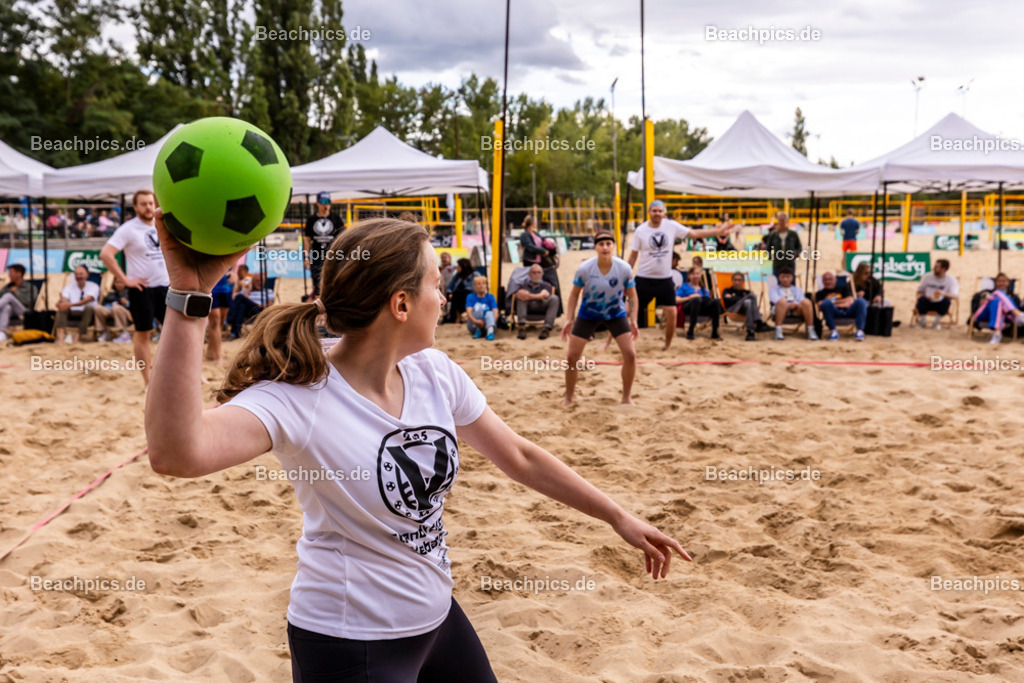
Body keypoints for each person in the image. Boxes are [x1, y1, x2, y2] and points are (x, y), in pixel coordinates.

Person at [145, 215, 689, 682]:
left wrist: (617, 516)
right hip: (349, 641)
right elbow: (177, 454)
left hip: (436, 618)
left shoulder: (432, 371)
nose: (445, 295)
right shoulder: (299, 397)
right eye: (436, 283)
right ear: (401, 304)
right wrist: (189, 298)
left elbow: (519, 456)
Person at [627, 200, 729, 350]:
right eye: (654, 211)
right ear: (649, 212)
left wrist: (717, 231)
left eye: (660, 211)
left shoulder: (671, 226)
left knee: (672, 313)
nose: (657, 214)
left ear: (664, 213)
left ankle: (667, 345)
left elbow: (694, 233)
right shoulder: (641, 230)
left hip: (664, 279)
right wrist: (626, 275)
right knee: (628, 310)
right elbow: (633, 255)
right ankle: (612, 337)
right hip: (644, 277)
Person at [100, 189, 170, 386]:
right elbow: (106, 254)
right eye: (143, 204)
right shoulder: (129, 228)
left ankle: (185, 375)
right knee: (143, 332)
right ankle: (148, 381)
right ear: (136, 207)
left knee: (176, 334)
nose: (148, 207)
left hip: (166, 286)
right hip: (142, 289)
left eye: (150, 203)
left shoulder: (163, 224)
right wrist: (125, 279)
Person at [562, 231, 639, 405]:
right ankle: (569, 397)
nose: (605, 247)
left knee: (630, 355)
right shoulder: (585, 268)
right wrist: (569, 319)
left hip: (615, 314)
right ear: (595, 247)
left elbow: (633, 296)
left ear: (613, 246)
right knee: (572, 356)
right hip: (588, 314)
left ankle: (626, 397)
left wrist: (634, 320)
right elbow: (573, 294)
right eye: (601, 244)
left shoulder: (624, 268)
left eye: (608, 244)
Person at [304, 191, 345, 298]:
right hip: (317, 255)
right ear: (317, 203)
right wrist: (306, 257)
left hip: (333, 255)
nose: (326, 205)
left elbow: (343, 237)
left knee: (333, 283)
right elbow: (307, 240)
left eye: (328, 202)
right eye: (323, 202)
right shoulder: (312, 220)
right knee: (317, 284)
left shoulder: (336, 219)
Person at [970, 273, 1023, 344]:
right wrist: (980, 301)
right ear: (995, 282)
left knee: (997, 302)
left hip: (1007, 316)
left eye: (1004, 281)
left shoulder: (1014, 296)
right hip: (984, 314)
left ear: (1008, 283)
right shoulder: (985, 292)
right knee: (997, 293)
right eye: (999, 281)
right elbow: (974, 305)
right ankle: (1019, 315)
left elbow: (1019, 306)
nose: (1001, 283)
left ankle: (997, 333)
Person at [769, 268, 818, 341]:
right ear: (779, 278)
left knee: (807, 302)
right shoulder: (774, 289)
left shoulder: (797, 290)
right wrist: (789, 305)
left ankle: (810, 330)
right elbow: (775, 299)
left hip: (796, 309)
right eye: (783, 277)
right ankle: (778, 331)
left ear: (792, 278)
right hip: (780, 309)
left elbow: (801, 299)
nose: (785, 279)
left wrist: (795, 305)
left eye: (787, 277)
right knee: (782, 302)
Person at [816, 271, 867, 341]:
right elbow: (820, 304)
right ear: (822, 281)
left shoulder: (844, 288)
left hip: (849, 312)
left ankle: (860, 331)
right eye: (825, 279)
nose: (828, 281)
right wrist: (843, 303)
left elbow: (850, 300)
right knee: (826, 303)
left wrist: (833, 303)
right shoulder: (820, 293)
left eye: (830, 279)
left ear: (835, 280)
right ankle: (833, 331)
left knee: (861, 301)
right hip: (834, 314)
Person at [512, 264, 559, 340]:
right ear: (529, 275)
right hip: (527, 307)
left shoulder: (546, 285)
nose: (536, 275)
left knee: (554, 298)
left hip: (541, 306)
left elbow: (543, 295)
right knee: (521, 298)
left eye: (539, 272)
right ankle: (521, 327)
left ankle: (546, 329)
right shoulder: (523, 285)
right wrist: (519, 295)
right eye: (534, 272)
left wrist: (529, 296)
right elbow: (517, 294)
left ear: (542, 275)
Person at [55, 265, 100, 343]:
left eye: (81, 274)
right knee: (62, 308)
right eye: (76, 274)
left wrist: (70, 305)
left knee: (89, 307)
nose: (78, 276)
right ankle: (61, 336)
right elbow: (64, 298)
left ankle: (77, 337)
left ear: (87, 274)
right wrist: (61, 303)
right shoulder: (69, 287)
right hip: (72, 311)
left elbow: (87, 300)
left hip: (87, 312)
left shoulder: (94, 286)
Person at [675, 267, 721, 340]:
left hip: (702, 310)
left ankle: (714, 332)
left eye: (697, 274)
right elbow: (676, 300)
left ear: (700, 276)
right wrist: (690, 297)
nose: (696, 276)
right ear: (689, 276)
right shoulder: (684, 286)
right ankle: (691, 330)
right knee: (696, 300)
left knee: (716, 301)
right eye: (693, 274)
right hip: (688, 309)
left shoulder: (704, 289)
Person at [722, 272, 770, 341]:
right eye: (735, 280)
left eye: (739, 280)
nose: (737, 282)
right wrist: (742, 298)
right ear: (732, 281)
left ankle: (750, 332)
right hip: (732, 310)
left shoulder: (746, 292)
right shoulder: (727, 290)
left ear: (743, 281)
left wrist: (734, 298)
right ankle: (758, 322)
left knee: (748, 302)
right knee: (752, 296)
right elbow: (728, 301)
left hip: (744, 312)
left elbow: (732, 299)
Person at [228, 273, 275, 339]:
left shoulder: (268, 291)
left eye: (261, 281)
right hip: (248, 312)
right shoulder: (247, 290)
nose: (259, 283)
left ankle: (230, 319)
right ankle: (234, 333)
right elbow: (235, 298)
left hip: (260, 311)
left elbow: (269, 306)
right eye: (257, 281)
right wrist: (248, 289)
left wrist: (259, 305)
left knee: (240, 297)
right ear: (252, 282)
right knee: (242, 306)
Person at [915, 259, 959, 329]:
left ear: (943, 269)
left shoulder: (951, 279)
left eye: (936, 267)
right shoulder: (927, 276)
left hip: (940, 303)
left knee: (947, 301)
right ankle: (922, 322)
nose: (934, 268)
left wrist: (943, 293)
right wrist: (925, 295)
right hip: (928, 301)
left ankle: (936, 322)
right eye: (934, 266)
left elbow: (955, 295)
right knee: (922, 299)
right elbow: (919, 291)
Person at [0, 264, 37, 342]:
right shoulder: (9, 286)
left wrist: (16, 292)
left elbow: (29, 302)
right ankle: (2, 333)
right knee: (7, 307)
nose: (9, 275)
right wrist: (9, 290)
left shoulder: (30, 287)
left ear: (19, 274)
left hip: (25, 311)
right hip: (12, 311)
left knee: (8, 296)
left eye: (11, 272)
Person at [760, 212, 802, 276]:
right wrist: (771, 256)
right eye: (780, 220)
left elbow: (799, 247)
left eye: (783, 220)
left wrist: (796, 254)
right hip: (777, 264)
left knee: (790, 280)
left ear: (787, 221)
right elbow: (767, 249)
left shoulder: (793, 234)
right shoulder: (773, 235)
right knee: (776, 280)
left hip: (790, 263)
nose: (781, 222)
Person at [465, 275, 498, 340]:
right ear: (474, 286)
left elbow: (496, 313)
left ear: (486, 286)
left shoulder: (491, 297)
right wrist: (476, 321)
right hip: (474, 324)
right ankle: (478, 330)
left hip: (488, 324)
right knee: (478, 306)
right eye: (478, 284)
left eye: (483, 283)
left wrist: (490, 322)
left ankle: (490, 332)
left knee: (489, 313)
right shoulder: (470, 297)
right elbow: (469, 312)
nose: (481, 286)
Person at [444, 258, 474, 324]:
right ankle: (455, 316)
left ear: (464, 266)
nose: (457, 267)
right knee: (455, 294)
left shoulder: (473, 274)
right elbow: (449, 287)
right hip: (456, 294)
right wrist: (449, 292)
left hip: (468, 294)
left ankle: (454, 316)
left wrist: (454, 293)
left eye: (459, 266)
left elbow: (472, 288)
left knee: (458, 294)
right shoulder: (457, 276)